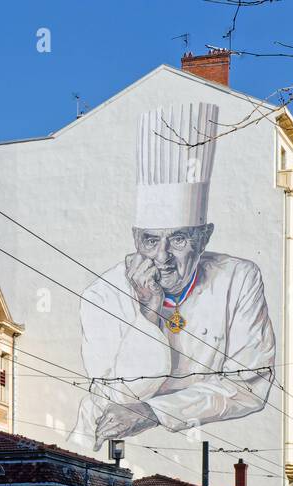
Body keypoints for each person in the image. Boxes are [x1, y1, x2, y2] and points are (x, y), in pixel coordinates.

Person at [73, 101, 276, 450]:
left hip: (207, 451)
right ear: (136, 238)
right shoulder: (101, 295)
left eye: (178, 238)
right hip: (108, 449)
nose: (162, 257)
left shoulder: (239, 277)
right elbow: (114, 393)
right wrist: (147, 315)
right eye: (150, 240)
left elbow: (250, 387)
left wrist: (154, 411)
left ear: (204, 236)